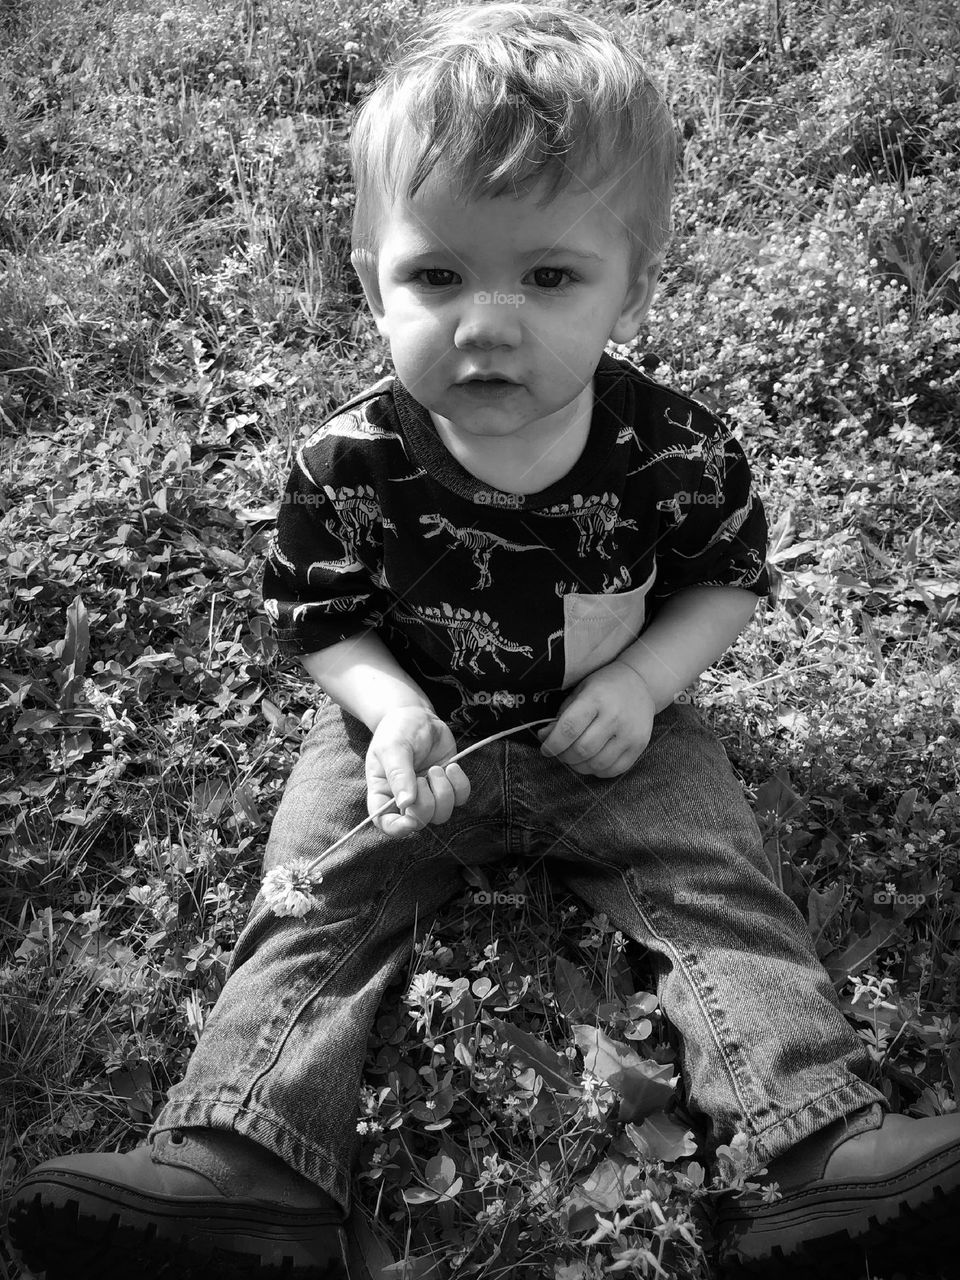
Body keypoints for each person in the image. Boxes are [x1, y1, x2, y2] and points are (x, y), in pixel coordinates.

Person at [7, 4, 960, 1279]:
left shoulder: (674, 451)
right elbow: (322, 616)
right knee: (316, 892)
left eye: (550, 276)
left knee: (715, 877)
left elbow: (728, 579)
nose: (487, 323)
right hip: (409, 738)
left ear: (636, 280)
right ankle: (247, 1159)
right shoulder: (345, 461)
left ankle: (811, 1148)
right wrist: (389, 707)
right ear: (369, 278)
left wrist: (643, 677)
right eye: (437, 275)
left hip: (620, 735)